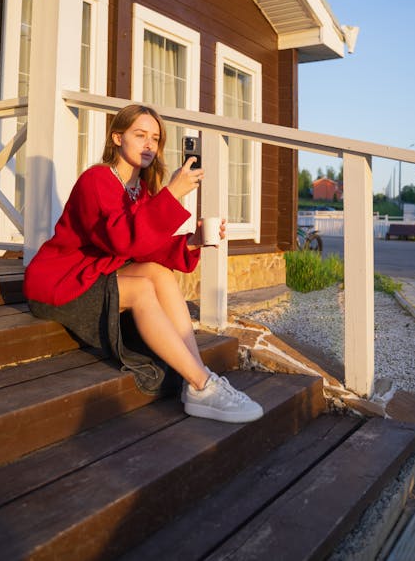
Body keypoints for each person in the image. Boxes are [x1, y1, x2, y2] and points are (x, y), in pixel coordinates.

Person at [24, 104, 263, 423]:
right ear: (117, 138)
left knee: (157, 272)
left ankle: (199, 380)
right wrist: (172, 194)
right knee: (141, 291)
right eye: (140, 135)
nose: (150, 144)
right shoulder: (96, 180)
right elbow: (121, 240)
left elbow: (147, 249)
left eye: (156, 138)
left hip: (96, 275)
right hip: (60, 282)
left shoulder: (140, 190)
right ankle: (201, 382)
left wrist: (192, 241)